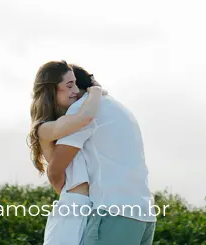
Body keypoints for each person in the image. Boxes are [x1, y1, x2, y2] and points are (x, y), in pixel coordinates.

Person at [47, 64, 154, 245]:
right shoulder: (118, 107)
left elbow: (56, 168)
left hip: (113, 214)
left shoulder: (82, 110)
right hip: (144, 216)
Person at [29, 61, 105, 245]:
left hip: (87, 206)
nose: (76, 90)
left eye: (76, 84)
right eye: (69, 85)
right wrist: (95, 90)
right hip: (72, 206)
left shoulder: (65, 120)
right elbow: (85, 118)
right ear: (51, 90)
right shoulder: (43, 128)